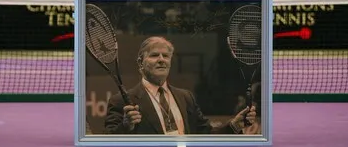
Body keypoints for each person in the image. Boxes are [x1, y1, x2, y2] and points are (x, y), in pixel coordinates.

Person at [104, 36, 256, 135]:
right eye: (154, 55)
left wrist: (234, 125)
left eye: (166, 56)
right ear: (140, 63)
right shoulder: (121, 101)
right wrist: (126, 126)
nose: (161, 59)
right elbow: (106, 141)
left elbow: (205, 134)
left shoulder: (185, 97)